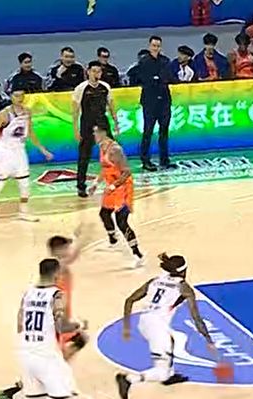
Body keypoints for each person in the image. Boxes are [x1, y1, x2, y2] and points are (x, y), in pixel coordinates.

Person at [0, 233, 89, 399]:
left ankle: (24, 387)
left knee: (78, 341)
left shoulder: (54, 270)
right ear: (58, 251)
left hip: (58, 322)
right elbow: (70, 259)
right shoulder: (57, 270)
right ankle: (12, 391)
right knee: (61, 355)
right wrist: (84, 238)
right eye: (65, 248)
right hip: (53, 327)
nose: (69, 251)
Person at [115, 253, 216, 399]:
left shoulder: (154, 281)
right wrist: (208, 339)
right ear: (184, 270)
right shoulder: (184, 288)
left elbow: (129, 300)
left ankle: (170, 374)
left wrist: (126, 327)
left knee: (173, 339)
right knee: (161, 372)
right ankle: (129, 379)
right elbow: (196, 319)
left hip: (144, 321)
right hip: (156, 326)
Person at [16, 259, 80, 399]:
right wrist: (77, 326)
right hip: (45, 355)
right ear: (56, 274)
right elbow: (61, 327)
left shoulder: (27, 293)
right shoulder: (56, 295)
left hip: (25, 353)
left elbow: (19, 325)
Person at [0, 90, 53, 233]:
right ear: (11, 97)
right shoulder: (4, 114)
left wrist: (43, 150)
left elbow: (30, 133)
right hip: (4, 153)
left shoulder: (27, 112)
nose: (20, 98)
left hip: (19, 152)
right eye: (16, 96)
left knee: (25, 185)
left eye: (22, 95)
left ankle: (23, 212)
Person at [89, 123, 145, 268]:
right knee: (104, 213)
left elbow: (126, 172)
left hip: (123, 187)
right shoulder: (102, 147)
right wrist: (95, 183)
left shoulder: (115, 149)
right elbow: (105, 169)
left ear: (104, 132)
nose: (94, 135)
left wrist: (114, 186)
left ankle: (137, 254)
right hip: (112, 186)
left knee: (121, 222)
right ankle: (113, 239)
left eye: (96, 132)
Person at [72, 61, 119, 198]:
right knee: (84, 155)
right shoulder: (81, 88)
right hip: (87, 123)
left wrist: (116, 122)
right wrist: (75, 129)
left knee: (112, 152)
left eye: (98, 71)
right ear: (88, 72)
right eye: (93, 71)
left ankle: (114, 181)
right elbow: (75, 111)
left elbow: (111, 105)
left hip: (102, 122)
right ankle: (81, 186)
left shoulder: (105, 87)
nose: (96, 74)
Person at [129, 36, 174, 171]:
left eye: (158, 46)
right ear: (149, 46)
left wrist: (158, 79)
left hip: (164, 101)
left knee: (164, 131)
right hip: (150, 101)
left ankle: (164, 160)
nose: (156, 48)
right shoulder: (144, 62)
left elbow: (167, 77)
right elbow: (140, 78)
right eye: (154, 46)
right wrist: (154, 79)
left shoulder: (165, 61)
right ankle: (145, 160)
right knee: (148, 131)